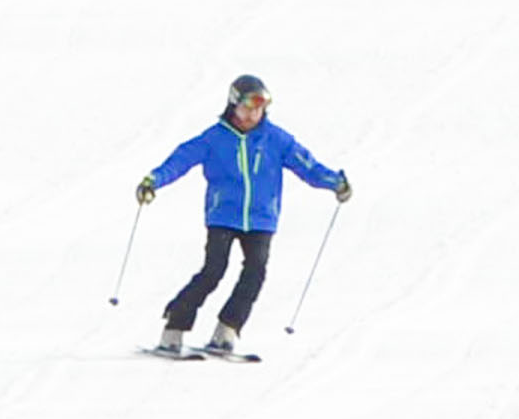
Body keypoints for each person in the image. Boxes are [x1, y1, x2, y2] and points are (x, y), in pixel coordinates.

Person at [132, 74, 354, 353]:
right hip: (223, 215)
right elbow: (180, 160)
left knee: (256, 272)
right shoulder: (214, 138)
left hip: (262, 217)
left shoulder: (276, 139)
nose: (253, 115)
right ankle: (174, 329)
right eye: (247, 108)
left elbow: (307, 166)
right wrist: (153, 180)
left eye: (258, 109)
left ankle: (227, 330)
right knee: (213, 271)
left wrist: (335, 182)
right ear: (233, 105)